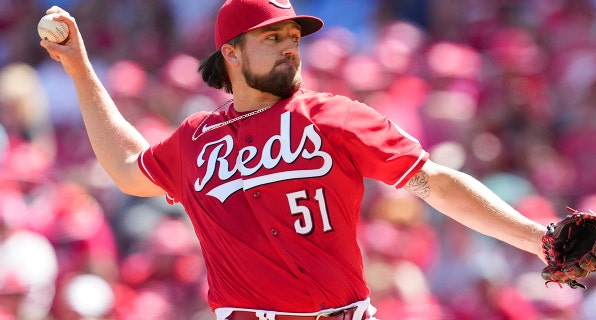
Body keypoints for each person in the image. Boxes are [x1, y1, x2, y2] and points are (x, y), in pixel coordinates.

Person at [40, 0, 549, 319]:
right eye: (272, 37)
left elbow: (432, 183)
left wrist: (535, 238)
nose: (290, 47)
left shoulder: (335, 117)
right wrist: (81, 70)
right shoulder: (197, 139)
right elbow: (130, 168)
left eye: (293, 37)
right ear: (232, 54)